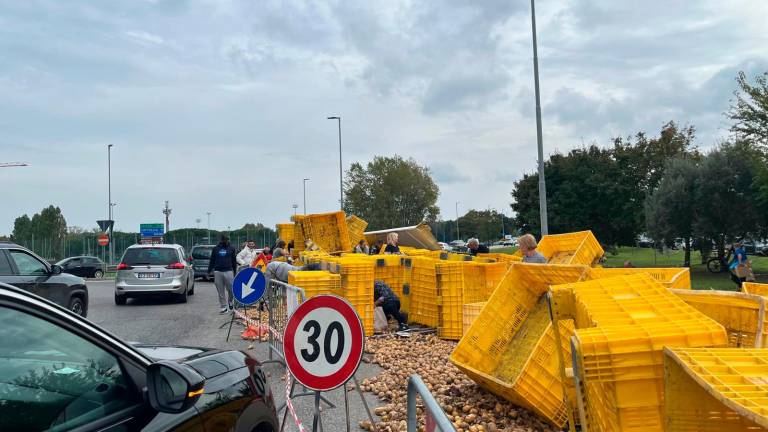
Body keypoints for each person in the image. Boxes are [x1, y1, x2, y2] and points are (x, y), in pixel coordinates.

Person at [208, 234, 238, 314]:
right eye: (225, 239)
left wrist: (234, 272)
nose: (226, 241)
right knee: (220, 291)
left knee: (231, 289)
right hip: (218, 271)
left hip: (229, 271)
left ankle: (230, 301)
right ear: (221, 240)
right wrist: (208, 271)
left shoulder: (231, 249)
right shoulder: (215, 249)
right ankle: (223, 307)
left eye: (227, 239)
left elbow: (234, 261)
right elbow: (212, 260)